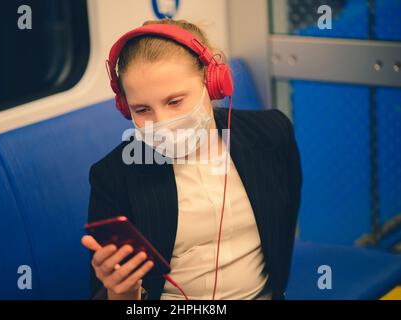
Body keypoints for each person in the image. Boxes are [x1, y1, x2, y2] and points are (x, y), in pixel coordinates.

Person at [81, 18, 302, 300]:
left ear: (212, 81)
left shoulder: (272, 134)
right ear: (126, 108)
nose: (162, 123)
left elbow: (284, 223)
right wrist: (121, 292)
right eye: (142, 109)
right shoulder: (113, 176)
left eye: (175, 102)